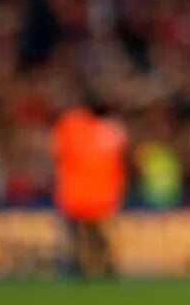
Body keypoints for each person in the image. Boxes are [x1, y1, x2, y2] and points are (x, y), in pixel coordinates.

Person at [51, 100, 126, 277]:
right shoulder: (109, 130)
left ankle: (80, 266)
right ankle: (105, 265)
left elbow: (58, 155)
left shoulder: (68, 126)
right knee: (97, 233)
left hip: (76, 194)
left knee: (79, 235)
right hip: (100, 195)